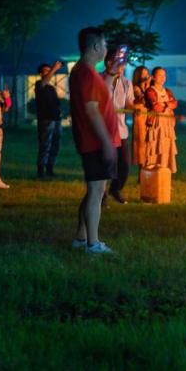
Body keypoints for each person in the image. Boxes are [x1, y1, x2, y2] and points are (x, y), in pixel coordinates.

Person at [69, 27, 119, 254]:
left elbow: (101, 99)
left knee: (94, 190)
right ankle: (93, 243)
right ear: (97, 46)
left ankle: (81, 237)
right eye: (105, 44)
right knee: (97, 191)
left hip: (96, 142)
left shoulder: (87, 72)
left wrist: (110, 74)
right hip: (95, 143)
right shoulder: (86, 74)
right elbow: (92, 111)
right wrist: (107, 142)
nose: (106, 48)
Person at [102, 45, 136, 204]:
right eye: (118, 64)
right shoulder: (100, 79)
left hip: (121, 130)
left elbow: (129, 102)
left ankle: (115, 189)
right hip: (103, 129)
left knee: (124, 164)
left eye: (123, 65)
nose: (121, 68)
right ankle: (101, 196)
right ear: (108, 63)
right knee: (105, 164)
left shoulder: (126, 83)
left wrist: (136, 108)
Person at [144, 67, 178, 172]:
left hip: (167, 124)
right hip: (156, 123)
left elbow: (175, 103)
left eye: (164, 75)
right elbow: (155, 107)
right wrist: (167, 105)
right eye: (160, 75)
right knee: (155, 145)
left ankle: (165, 173)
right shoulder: (150, 91)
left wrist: (164, 104)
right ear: (153, 77)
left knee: (166, 146)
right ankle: (153, 172)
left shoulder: (167, 91)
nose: (163, 78)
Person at [35, 60, 63, 179]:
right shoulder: (39, 84)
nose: (49, 73)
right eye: (46, 71)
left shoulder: (51, 88)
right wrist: (54, 68)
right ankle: (41, 170)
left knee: (55, 145)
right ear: (41, 74)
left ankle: (50, 168)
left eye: (49, 71)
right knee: (45, 144)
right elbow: (44, 82)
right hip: (46, 120)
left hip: (56, 119)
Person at [131, 66, 151, 171]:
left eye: (147, 73)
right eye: (143, 74)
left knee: (150, 143)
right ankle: (142, 171)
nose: (145, 76)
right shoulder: (135, 88)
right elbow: (142, 100)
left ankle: (149, 169)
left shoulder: (149, 87)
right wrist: (145, 85)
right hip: (140, 118)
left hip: (150, 117)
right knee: (141, 143)